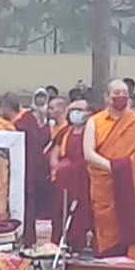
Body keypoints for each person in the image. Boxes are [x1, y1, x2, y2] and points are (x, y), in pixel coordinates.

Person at [83, 78, 135, 262]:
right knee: (108, 228)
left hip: (132, 187)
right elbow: (88, 153)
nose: (121, 97)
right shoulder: (95, 121)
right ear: (107, 97)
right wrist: (113, 168)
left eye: (125, 94)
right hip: (106, 185)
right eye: (117, 94)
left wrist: (127, 166)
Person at [2, 93, 50, 245]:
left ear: (6, 107)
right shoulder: (29, 121)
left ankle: (23, 240)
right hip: (32, 171)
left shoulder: (21, 126)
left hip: (25, 172)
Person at [48, 98, 95, 252]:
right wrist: (60, 167)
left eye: (80, 110)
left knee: (81, 214)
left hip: (84, 179)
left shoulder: (93, 131)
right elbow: (54, 156)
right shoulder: (64, 132)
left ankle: (80, 245)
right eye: (73, 109)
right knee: (61, 212)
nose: (76, 113)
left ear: (88, 113)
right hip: (65, 179)